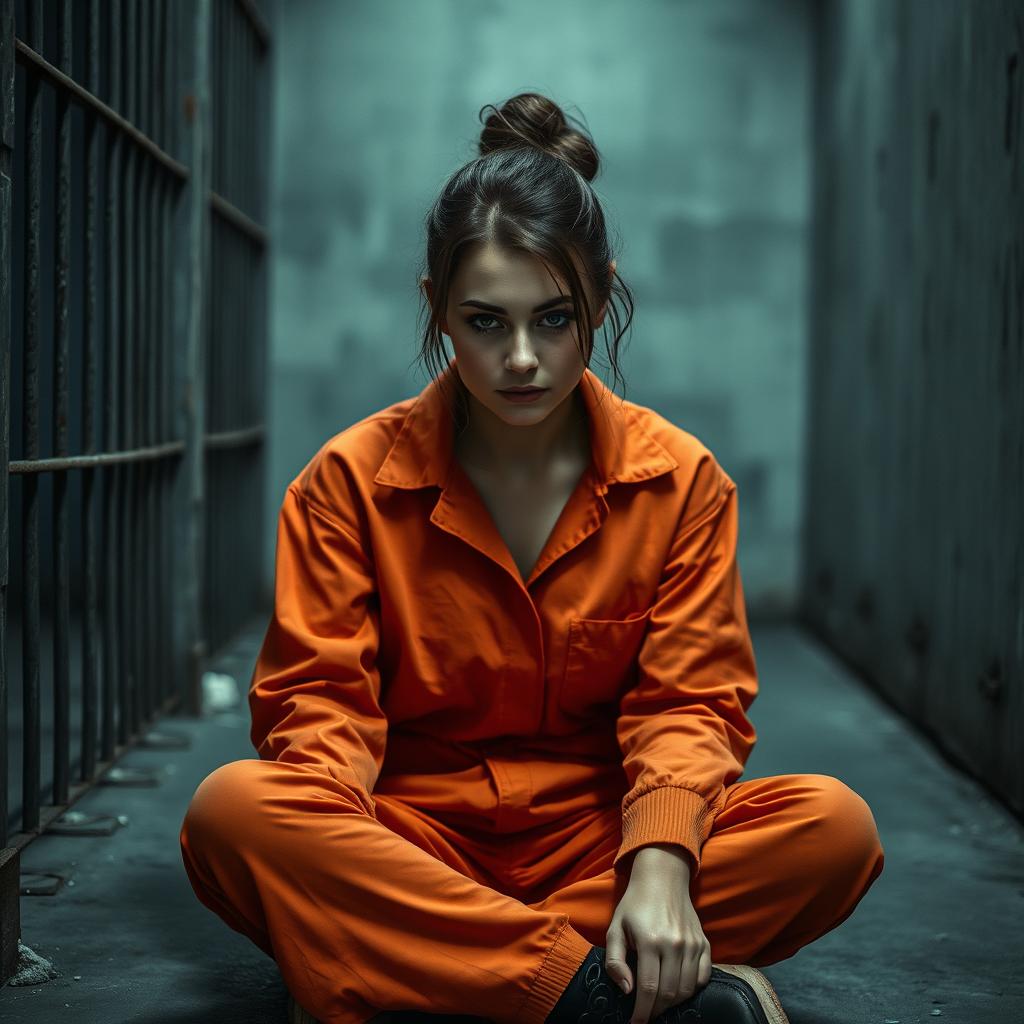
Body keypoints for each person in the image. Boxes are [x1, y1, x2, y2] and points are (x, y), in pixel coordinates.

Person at [179, 92, 885, 1024]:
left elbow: (689, 705)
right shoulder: (344, 485)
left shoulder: (682, 483)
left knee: (831, 829)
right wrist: (344, 846)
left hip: (605, 851)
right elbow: (319, 712)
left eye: (553, 319)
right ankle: (591, 993)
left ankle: (429, 964)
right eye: (484, 322)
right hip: (413, 844)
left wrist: (664, 868)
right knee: (233, 815)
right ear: (436, 307)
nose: (522, 359)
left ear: (600, 295)